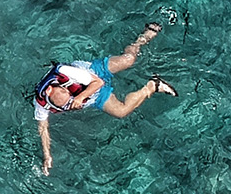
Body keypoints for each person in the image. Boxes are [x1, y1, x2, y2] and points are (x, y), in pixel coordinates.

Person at [33, 22, 178, 176]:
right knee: (121, 111)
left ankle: (143, 38)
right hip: (94, 97)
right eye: (67, 104)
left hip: (94, 74)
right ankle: (153, 85)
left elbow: (98, 82)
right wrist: (47, 155)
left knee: (129, 60)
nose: (71, 102)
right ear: (48, 92)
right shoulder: (41, 103)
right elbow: (43, 128)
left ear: (60, 86)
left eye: (69, 98)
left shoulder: (66, 72)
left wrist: (80, 97)